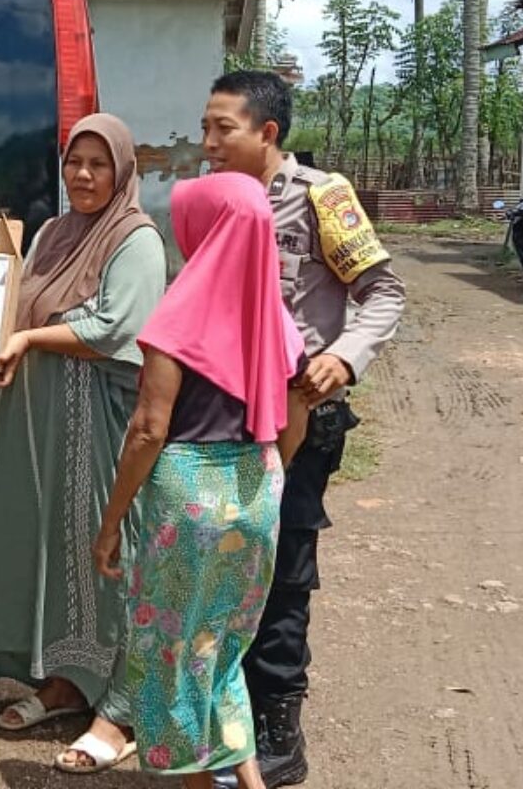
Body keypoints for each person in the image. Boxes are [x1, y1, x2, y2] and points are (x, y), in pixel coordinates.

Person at [201, 71, 406, 789]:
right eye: (205, 127)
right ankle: (222, 725)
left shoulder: (322, 196)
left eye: (222, 129)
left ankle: (278, 736)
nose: (208, 143)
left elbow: (383, 292)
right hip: (222, 418)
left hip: (298, 419)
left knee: (283, 575)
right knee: (229, 570)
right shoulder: (219, 201)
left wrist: (342, 361)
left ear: (267, 132)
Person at [0, 114, 166, 774]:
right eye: (75, 162)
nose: (83, 175)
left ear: (123, 171)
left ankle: (121, 707)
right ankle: (68, 680)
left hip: (93, 419)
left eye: (99, 164)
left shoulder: (137, 240)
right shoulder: (51, 231)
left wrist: (28, 340)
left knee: (103, 552)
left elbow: (113, 325)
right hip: (33, 415)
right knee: (43, 544)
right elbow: (20, 301)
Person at [93, 173, 307, 789]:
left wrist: (111, 524)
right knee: (220, 647)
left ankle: (194, 782)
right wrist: (271, 475)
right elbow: (298, 409)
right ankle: (247, 778)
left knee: (169, 654)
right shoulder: (275, 317)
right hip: (257, 487)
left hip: (188, 496)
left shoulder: (176, 317)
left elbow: (148, 429)